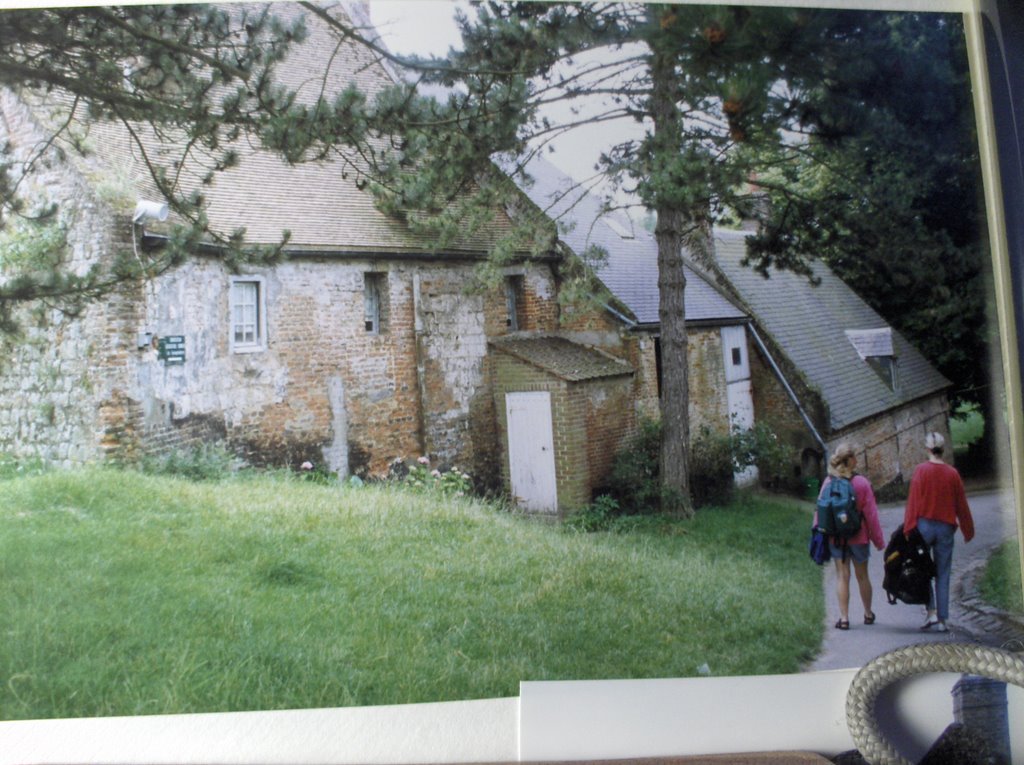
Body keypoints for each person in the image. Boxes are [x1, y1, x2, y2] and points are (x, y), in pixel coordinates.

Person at [903, 431, 974, 632]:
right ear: (943, 449)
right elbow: (961, 504)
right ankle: (943, 620)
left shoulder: (920, 471)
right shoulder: (952, 474)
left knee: (924, 570)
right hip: (945, 527)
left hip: (924, 527)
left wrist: (909, 527)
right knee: (943, 572)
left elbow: (913, 502)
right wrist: (968, 529)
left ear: (927, 449)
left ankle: (931, 612)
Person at [818, 443, 885, 630]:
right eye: (855, 456)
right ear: (851, 460)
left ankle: (844, 618)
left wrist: (819, 535)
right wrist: (878, 541)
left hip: (836, 539)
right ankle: (868, 613)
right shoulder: (862, 483)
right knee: (862, 576)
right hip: (859, 537)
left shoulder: (828, 482)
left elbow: (821, 512)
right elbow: (871, 516)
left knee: (842, 576)